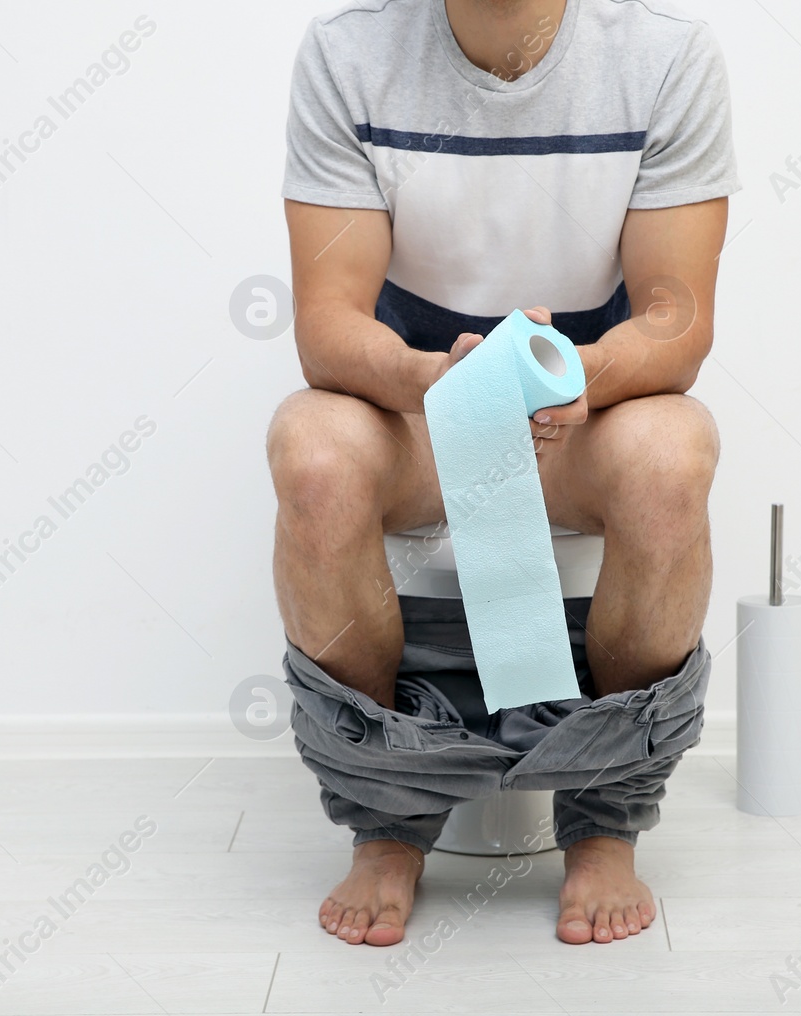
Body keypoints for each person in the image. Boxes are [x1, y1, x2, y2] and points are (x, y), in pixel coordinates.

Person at [269, 0, 738, 946]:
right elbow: (327, 325)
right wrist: (434, 383)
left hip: (579, 415)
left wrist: (575, 376)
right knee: (311, 449)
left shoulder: (666, 56)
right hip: (420, 414)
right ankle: (389, 817)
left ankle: (604, 817)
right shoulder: (346, 53)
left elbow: (676, 323)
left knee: (673, 452)